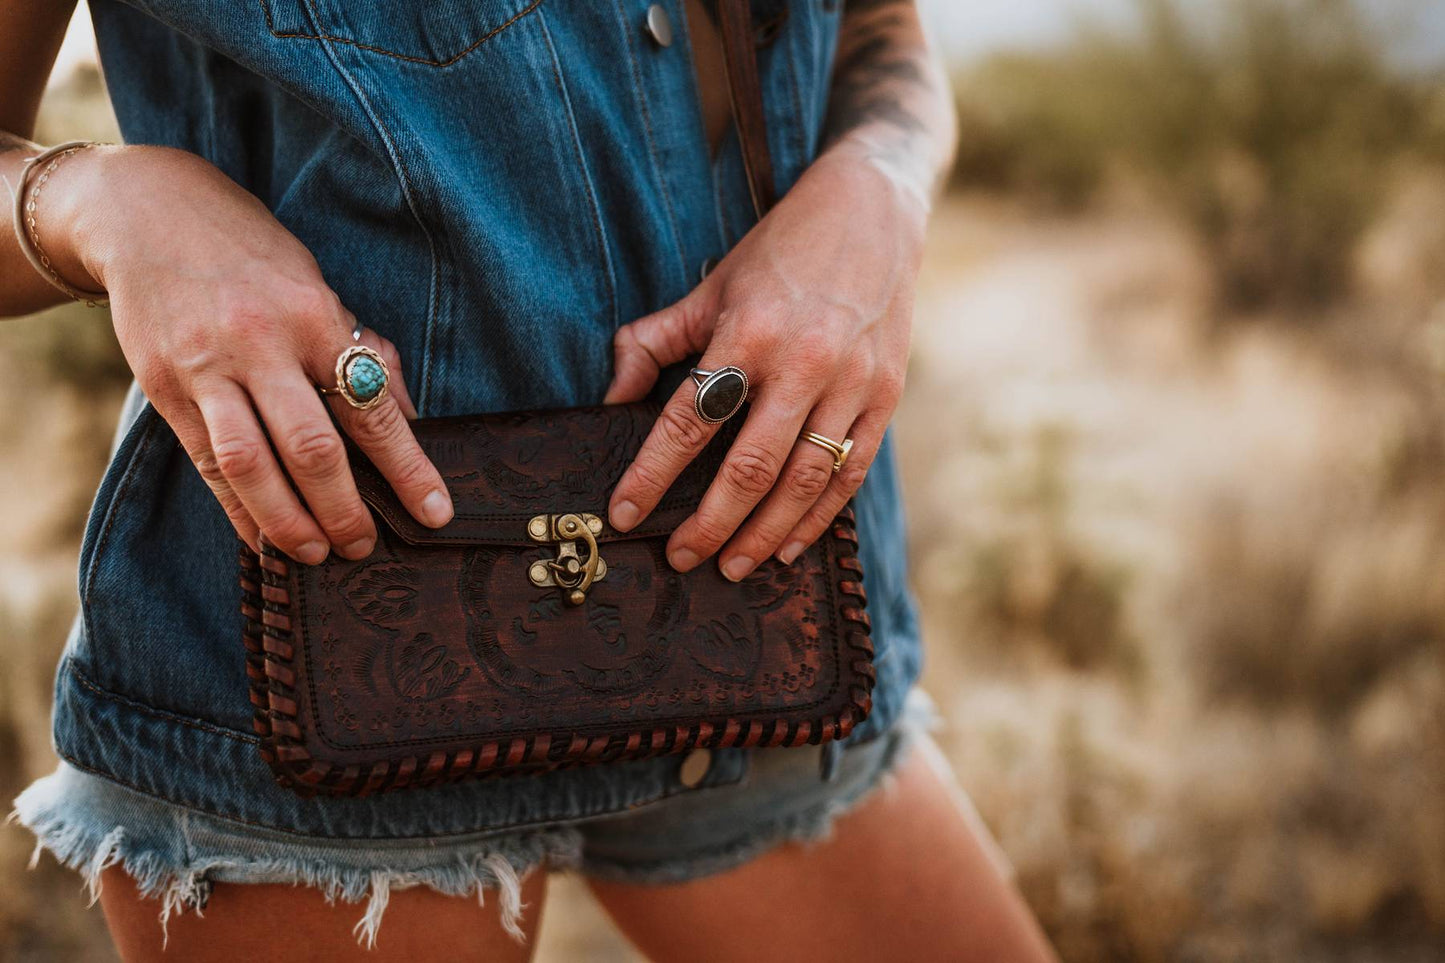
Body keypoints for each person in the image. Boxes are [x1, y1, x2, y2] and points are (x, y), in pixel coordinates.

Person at [2, 1, 1057, 960]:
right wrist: (105, 201)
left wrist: (880, 185)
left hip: (757, 606)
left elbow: (878, 29)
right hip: (317, 685)